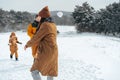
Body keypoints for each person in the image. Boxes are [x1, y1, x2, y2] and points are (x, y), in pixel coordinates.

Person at [24, 6, 58, 80]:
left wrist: (27, 44)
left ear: (42, 17)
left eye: (39, 16)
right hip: (54, 51)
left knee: (34, 71)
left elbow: (37, 37)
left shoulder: (45, 25)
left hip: (46, 51)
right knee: (50, 71)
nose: (38, 18)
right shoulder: (53, 25)